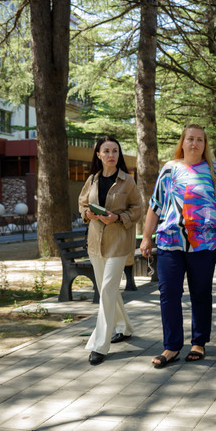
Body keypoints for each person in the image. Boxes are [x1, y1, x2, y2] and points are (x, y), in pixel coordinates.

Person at [140, 124, 216, 368]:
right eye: (190, 139)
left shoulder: (214, 170)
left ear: (205, 145)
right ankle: (171, 346)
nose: (194, 143)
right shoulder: (169, 170)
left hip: (205, 243)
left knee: (200, 293)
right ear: (182, 142)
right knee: (168, 293)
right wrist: (146, 236)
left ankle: (198, 343)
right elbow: (155, 205)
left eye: (199, 140)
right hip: (170, 241)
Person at [78, 135, 143, 365]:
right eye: (106, 151)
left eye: (115, 151)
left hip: (118, 243)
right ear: (98, 155)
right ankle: (124, 327)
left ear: (119, 154)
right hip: (96, 243)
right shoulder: (92, 180)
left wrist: (117, 217)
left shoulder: (128, 181)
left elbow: (138, 209)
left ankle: (100, 345)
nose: (111, 155)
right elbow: (82, 203)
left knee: (106, 290)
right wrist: (89, 214)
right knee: (110, 290)